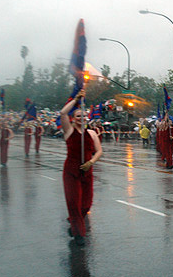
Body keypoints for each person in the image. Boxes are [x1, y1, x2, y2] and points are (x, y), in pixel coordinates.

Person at [60, 89, 103, 246]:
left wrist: (91, 162)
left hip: (87, 172)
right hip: (71, 172)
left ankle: (74, 225)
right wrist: (76, 99)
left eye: (84, 116)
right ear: (74, 118)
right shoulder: (69, 131)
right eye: (78, 116)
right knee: (74, 204)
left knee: (86, 205)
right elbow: (63, 114)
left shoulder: (91, 133)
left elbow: (99, 151)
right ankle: (79, 235)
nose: (81, 118)